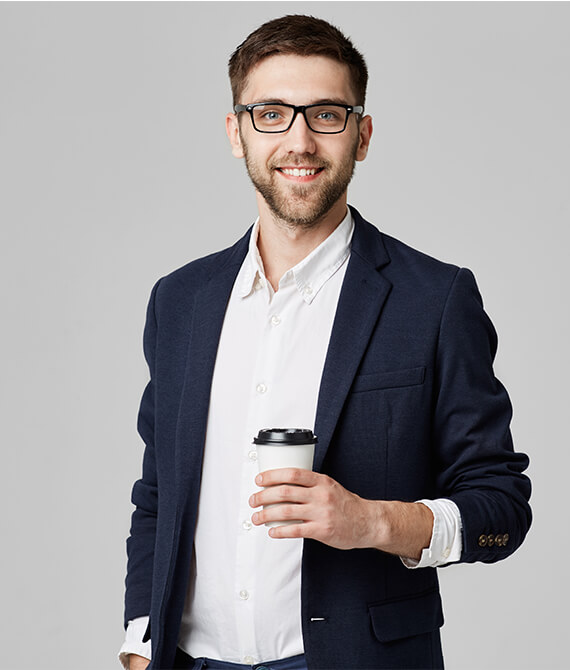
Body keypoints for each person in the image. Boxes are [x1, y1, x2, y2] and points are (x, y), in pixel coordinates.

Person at [120, 15, 531, 670]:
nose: (300, 141)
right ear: (236, 133)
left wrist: (372, 523)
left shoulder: (434, 300)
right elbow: (158, 494)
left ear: (361, 135)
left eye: (327, 115)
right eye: (271, 114)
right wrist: (141, 643)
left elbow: (502, 510)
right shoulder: (180, 301)